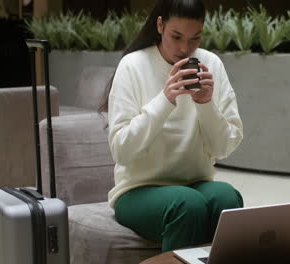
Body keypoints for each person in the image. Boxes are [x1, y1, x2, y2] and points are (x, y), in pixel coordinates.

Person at [101, 0, 244, 252]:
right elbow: (121, 151)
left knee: (227, 197)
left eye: (194, 38)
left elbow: (223, 148)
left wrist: (206, 103)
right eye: (176, 37)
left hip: (196, 182)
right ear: (160, 25)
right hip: (137, 190)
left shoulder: (212, 65)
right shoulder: (132, 65)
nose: (184, 49)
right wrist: (166, 99)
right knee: (186, 204)